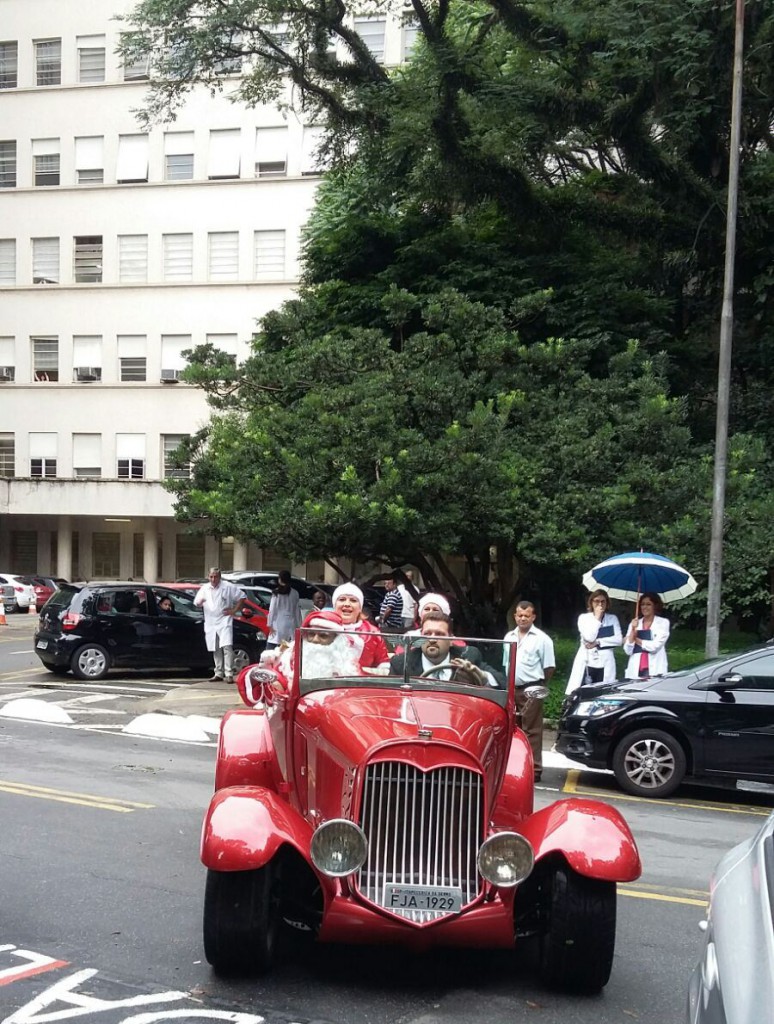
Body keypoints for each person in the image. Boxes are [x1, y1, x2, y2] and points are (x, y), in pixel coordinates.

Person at [503, 601, 556, 782]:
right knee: (513, 729)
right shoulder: (508, 637)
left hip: (532, 689)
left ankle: (534, 770)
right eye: (519, 615)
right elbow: (506, 665)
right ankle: (513, 767)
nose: (523, 618)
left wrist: (539, 686)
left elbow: (549, 667)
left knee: (532, 730)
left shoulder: (542, 639)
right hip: (512, 689)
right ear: (515, 616)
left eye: (527, 615)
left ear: (533, 617)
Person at [390, 612, 500, 687]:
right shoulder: (402, 662)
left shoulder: (469, 656)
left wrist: (483, 677)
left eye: (439, 634)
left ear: (451, 640)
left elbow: (502, 682)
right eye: (427, 634)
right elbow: (392, 700)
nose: (432, 639)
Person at [194, 567, 247, 684]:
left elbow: (242, 596)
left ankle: (229, 673)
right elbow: (196, 602)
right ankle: (218, 672)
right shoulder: (205, 588)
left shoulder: (227, 586)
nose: (213, 579)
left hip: (224, 620)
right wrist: (200, 602)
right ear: (208, 577)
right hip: (211, 622)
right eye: (211, 576)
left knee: (227, 647)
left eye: (215, 576)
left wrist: (234, 610)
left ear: (220, 577)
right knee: (215, 647)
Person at [566, 590, 622, 694]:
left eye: (603, 601)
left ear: (607, 603)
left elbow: (618, 640)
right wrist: (597, 618)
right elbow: (589, 637)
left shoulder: (612, 619)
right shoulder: (584, 618)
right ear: (591, 602)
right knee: (582, 693)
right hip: (587, 662)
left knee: (603, 694)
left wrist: (598, 642)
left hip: (605, 663)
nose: (600, 604)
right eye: (596, 601)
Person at [332, 582, 391, 671]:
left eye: (353, 600)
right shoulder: (322, 628)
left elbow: (383, 665)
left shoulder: (372, 633)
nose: (347, 604)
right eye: (342, 599)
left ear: (360, 608)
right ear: (334, 605)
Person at [623, 592, 670, 679]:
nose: (644, 607)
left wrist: (635, 638)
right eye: (642, 604)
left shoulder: (663, 623)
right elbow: (628, 650)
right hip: (636, 669)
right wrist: (633, 630)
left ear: (655, 606)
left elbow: (655, 647)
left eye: (648, 604)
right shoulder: (634, 624)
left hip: (655, 668)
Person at [266, 570, 302, 650]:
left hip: (278, 623)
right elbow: (297, 611)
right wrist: (299, 625)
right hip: (291, 623)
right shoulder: (295, 593)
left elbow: (272, 610)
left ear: (280, 579)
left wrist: (269, 624)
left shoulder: (276, 593)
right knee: (288, 647)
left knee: (273, 646)